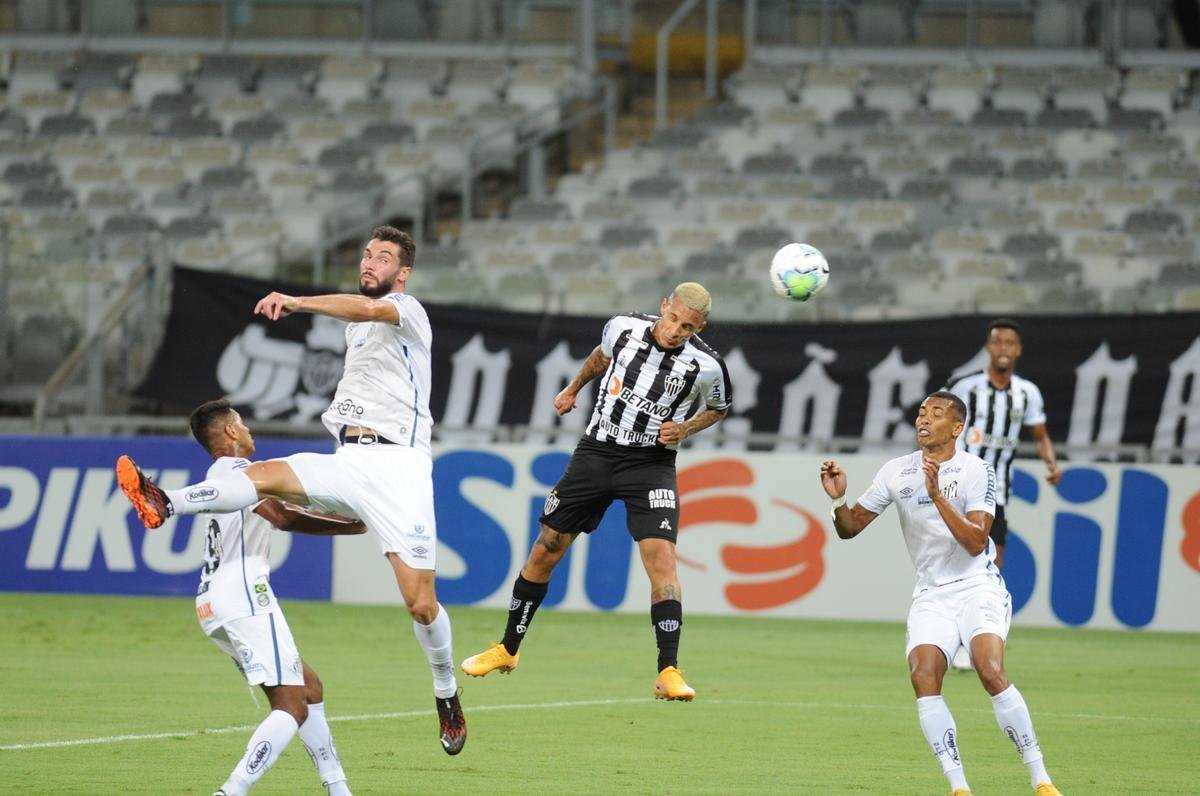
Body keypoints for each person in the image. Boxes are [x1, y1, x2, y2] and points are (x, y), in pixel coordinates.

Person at [116, 225, 466, 755]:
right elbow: (359, 321)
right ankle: (166, 502)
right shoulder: (357, 329)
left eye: (384, 258)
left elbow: (366, 309)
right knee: (260, 474)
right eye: (367, 254)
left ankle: (445, 691)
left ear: (404, 272)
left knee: (420, 604)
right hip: (350, 459)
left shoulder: (407, 310)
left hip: (401, 467)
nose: (370, 262)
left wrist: (298, 301)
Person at [460, 282, 732, 701]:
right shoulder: (622, 328)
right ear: (664, 306)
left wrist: (686, 427)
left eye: (688, 326)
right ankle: (507, 648)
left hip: (651, 465)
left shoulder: (708, 366)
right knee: (546, 548)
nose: (676, 330)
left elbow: (718, 407)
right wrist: (572, 389)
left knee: (662, 560)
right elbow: (600, 358)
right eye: (674, 318)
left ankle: (669, 670)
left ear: (701, 326)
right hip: (597, 453)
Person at [819, 392, 1062, 796]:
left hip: (977, 585)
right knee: (923, 677)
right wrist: (838, 499)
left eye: (936, 413)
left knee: (990, 670)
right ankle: (959, 787)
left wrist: (935, 495)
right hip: (932, 594)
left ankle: (1040, 778)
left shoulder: (977, 470)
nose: (923, 420)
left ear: (957, 427)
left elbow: (975, 540)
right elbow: (851, 528)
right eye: (920, 413)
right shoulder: (897, 471)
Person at [189, 399, 361, 796]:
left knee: (309, 687)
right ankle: (232, 791)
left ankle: (338, 788)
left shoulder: (218, 475)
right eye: (242, 423)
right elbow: (282, 516)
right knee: (293, 705)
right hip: (245, 596)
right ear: (230, 433)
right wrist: (352, 527)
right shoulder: (241, 474)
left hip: (211, 603)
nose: (248, 430)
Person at [944, 318, 1061, 671]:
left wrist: (1051, 465)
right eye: (998, 342)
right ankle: (950, 637)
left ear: (1019, 350)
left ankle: (975, 638)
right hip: (960, 489)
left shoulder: (1027, 393)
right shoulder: (966, 388)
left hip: (997, 494)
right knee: (951, 565)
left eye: (1011, 343)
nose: (1004, 348)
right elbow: (939, 425)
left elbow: (1039, 434)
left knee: (991, 567)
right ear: (989, 348)